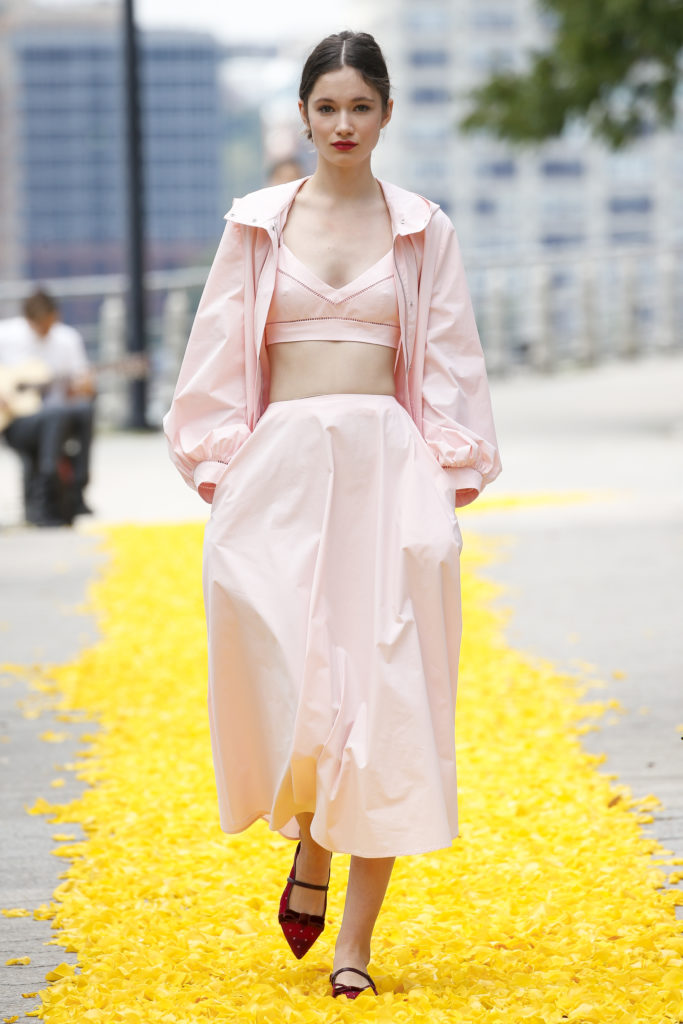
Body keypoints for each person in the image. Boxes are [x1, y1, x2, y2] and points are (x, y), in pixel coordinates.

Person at [164, 30, 501, 1000]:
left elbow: (450, 361)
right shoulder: (258, 224)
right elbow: (217, 354)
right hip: (278, 482)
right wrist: (221, 470)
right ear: (303, 116)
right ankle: (308, 837)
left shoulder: (420, 228)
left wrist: (444, 481)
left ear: (385, 114)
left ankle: (352, 941)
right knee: (297, 680)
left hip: (389, 480)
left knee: (387, 697)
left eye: (360, 106)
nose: (343, 124)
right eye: (326, 108)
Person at [0, 289, 95, 525]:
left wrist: (83, 388)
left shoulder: (67, 339)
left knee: (84, 410)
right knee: (55, 415)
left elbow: (82, 387)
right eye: (40, 325)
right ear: (28, 320)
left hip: (57, 415)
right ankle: (46, 491)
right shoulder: (6, 336)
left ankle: (78, 485)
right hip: (17, 420)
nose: (45, 330)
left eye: (49, 324)